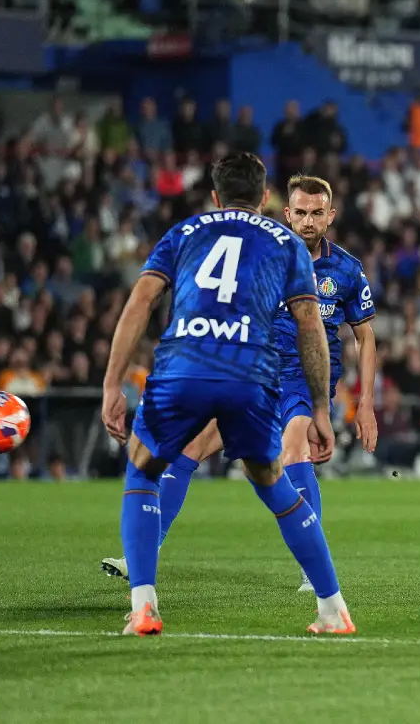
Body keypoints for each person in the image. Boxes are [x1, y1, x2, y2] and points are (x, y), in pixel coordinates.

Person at [101, 152, 345, 636]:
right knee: (274, 484)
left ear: (215, 197)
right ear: (265, 197)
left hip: (182, 369)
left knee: (143, 468)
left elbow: (141, 301)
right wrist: (321, 407)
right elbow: (309, 323)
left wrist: (113, 382)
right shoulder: (286, 243)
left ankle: (144, 605)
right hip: (249, 376)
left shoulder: (184, 233)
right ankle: (333, 608)